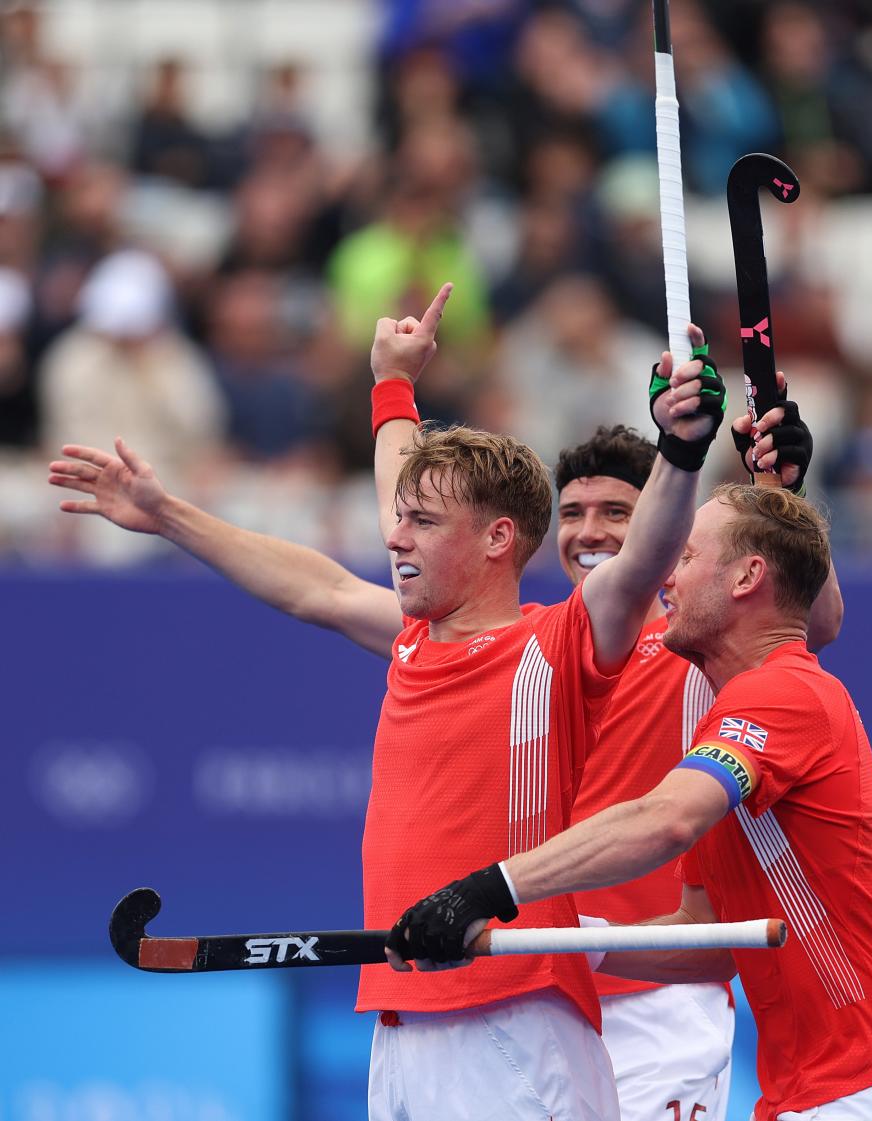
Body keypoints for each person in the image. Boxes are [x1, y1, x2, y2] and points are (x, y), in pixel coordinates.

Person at [49, 283, 729, 1121]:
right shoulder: (411, 639)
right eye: (398, 520)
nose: (393, 536)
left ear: (496, 539)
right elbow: (317, 585)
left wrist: (683, 445)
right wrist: (169, 511)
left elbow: (647, 552)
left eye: (421, 524)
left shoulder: (553, 648)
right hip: (403, 1015)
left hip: (511, 1015)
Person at [386, 484, 872, 1121]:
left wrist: (488, 890)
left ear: (747, 577)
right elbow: (707, 940)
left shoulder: (782, 692)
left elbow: (664, 819)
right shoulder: (727, 730)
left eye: (684, 558)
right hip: (811, 1095)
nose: (665, 578)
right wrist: (573, 939)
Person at [548, 419, 841, 1121]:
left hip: (663, 998)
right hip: (549, 996)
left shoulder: (700, 641)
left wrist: (784, 500)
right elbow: (351, 598)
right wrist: (392, 389)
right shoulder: (538, 650)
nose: (589, 532)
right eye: (571, 514)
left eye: (617, 511)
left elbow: (814, 622)